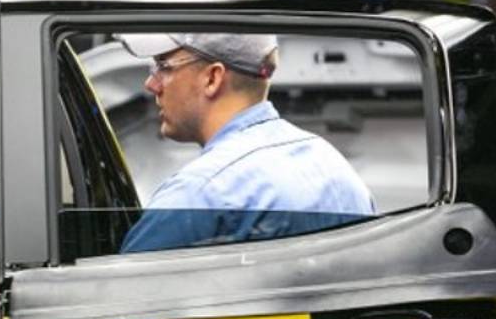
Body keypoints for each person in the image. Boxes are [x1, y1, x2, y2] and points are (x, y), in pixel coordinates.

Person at [118, 33, 375, 253]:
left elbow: (116, 300)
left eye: (164, 65)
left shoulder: (198, 193)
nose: (151, 84)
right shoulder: (336, 170)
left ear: (212, 79)